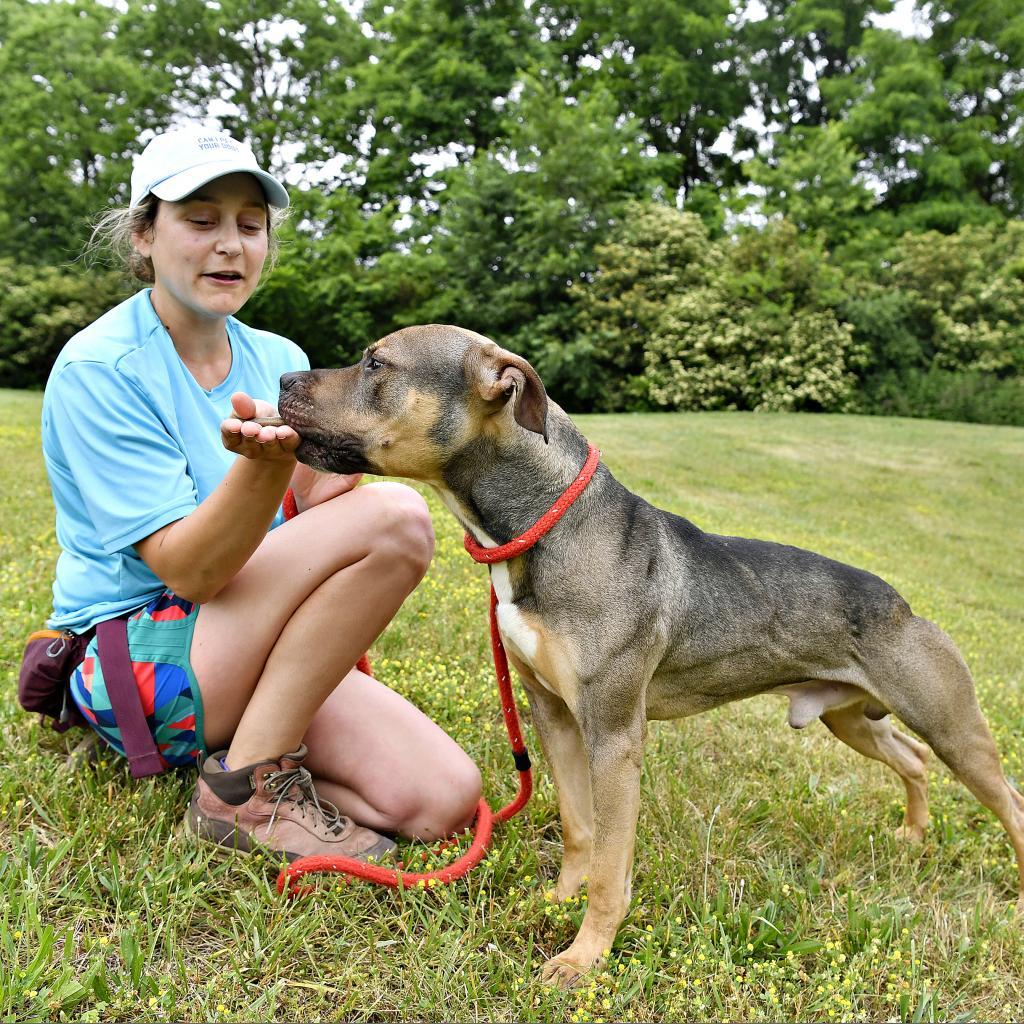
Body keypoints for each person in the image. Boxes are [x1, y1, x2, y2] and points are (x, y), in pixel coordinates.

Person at [41, 125, 482, 862]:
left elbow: (312, 518)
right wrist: (266, 469)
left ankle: (241, 754)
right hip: (134, 651)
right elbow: (192, 573)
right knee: (399, 522)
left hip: (242, 638)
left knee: (441, 799)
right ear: (145, 235)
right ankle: (239, 795)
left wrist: (334, 480)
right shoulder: (100, 368)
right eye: (201, 219)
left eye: (251, 225)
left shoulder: (278, 359)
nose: (230, 244)